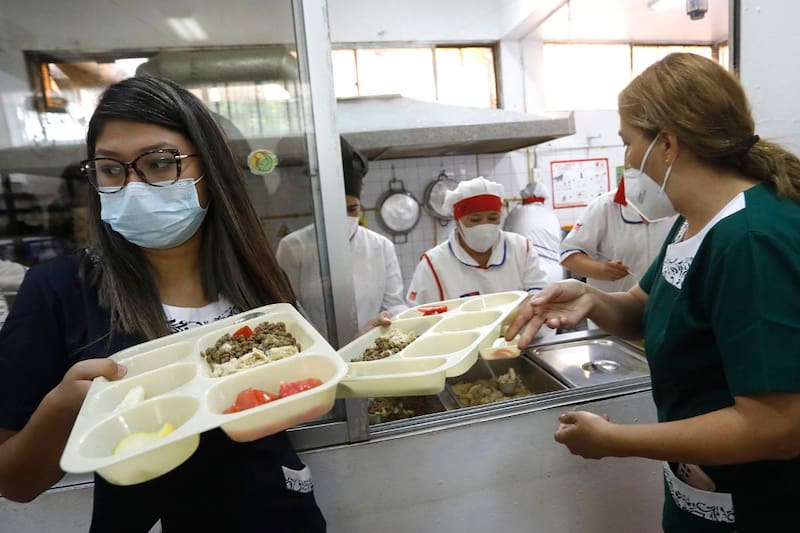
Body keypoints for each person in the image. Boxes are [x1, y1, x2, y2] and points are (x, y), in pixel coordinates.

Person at [0, 76, 327, 532]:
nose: (133, 186)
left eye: (158, 163)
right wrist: (63, 407)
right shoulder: (58, 291)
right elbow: (14, 482)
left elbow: (298, 392)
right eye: (111, 170)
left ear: (209, 170)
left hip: (281, 515)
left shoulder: (254, 277)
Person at [506, 53, 800, 532]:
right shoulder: (693, 222)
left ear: (666, 143)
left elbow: (777, 427)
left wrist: (616, 440)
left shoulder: (750, 240)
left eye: (627, 142)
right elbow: (646, 308)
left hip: (761, 511)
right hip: (698, 499)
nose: (625, 159)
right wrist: (591, 299)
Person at [276, 136, 407, 339]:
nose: (343, 218)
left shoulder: (381, 247)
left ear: (360, 207)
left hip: (371, 347)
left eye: (351, 209)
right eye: (334, 209)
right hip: (314, 350)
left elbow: (395, 305)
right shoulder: (293, 247)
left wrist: (390, 321)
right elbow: (286, 309)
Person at [406, 176, 548, 305]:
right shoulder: (434, 264)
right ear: (458, 222)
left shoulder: (521, 249)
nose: (484, 226)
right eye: (475, 219)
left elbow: (540, 294)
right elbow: (419, 314)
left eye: (492, 218)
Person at [560, 185, 676, 293]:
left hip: (662, 302)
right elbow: (569, 256)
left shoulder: (676, 206)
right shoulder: (604, 206)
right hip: (612, 303)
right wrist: (601, 270)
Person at [503, 180, 564, 285]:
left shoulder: (516, 213)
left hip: (529, 270)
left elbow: (505, 239)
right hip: (555, 272)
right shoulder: (551, 215)